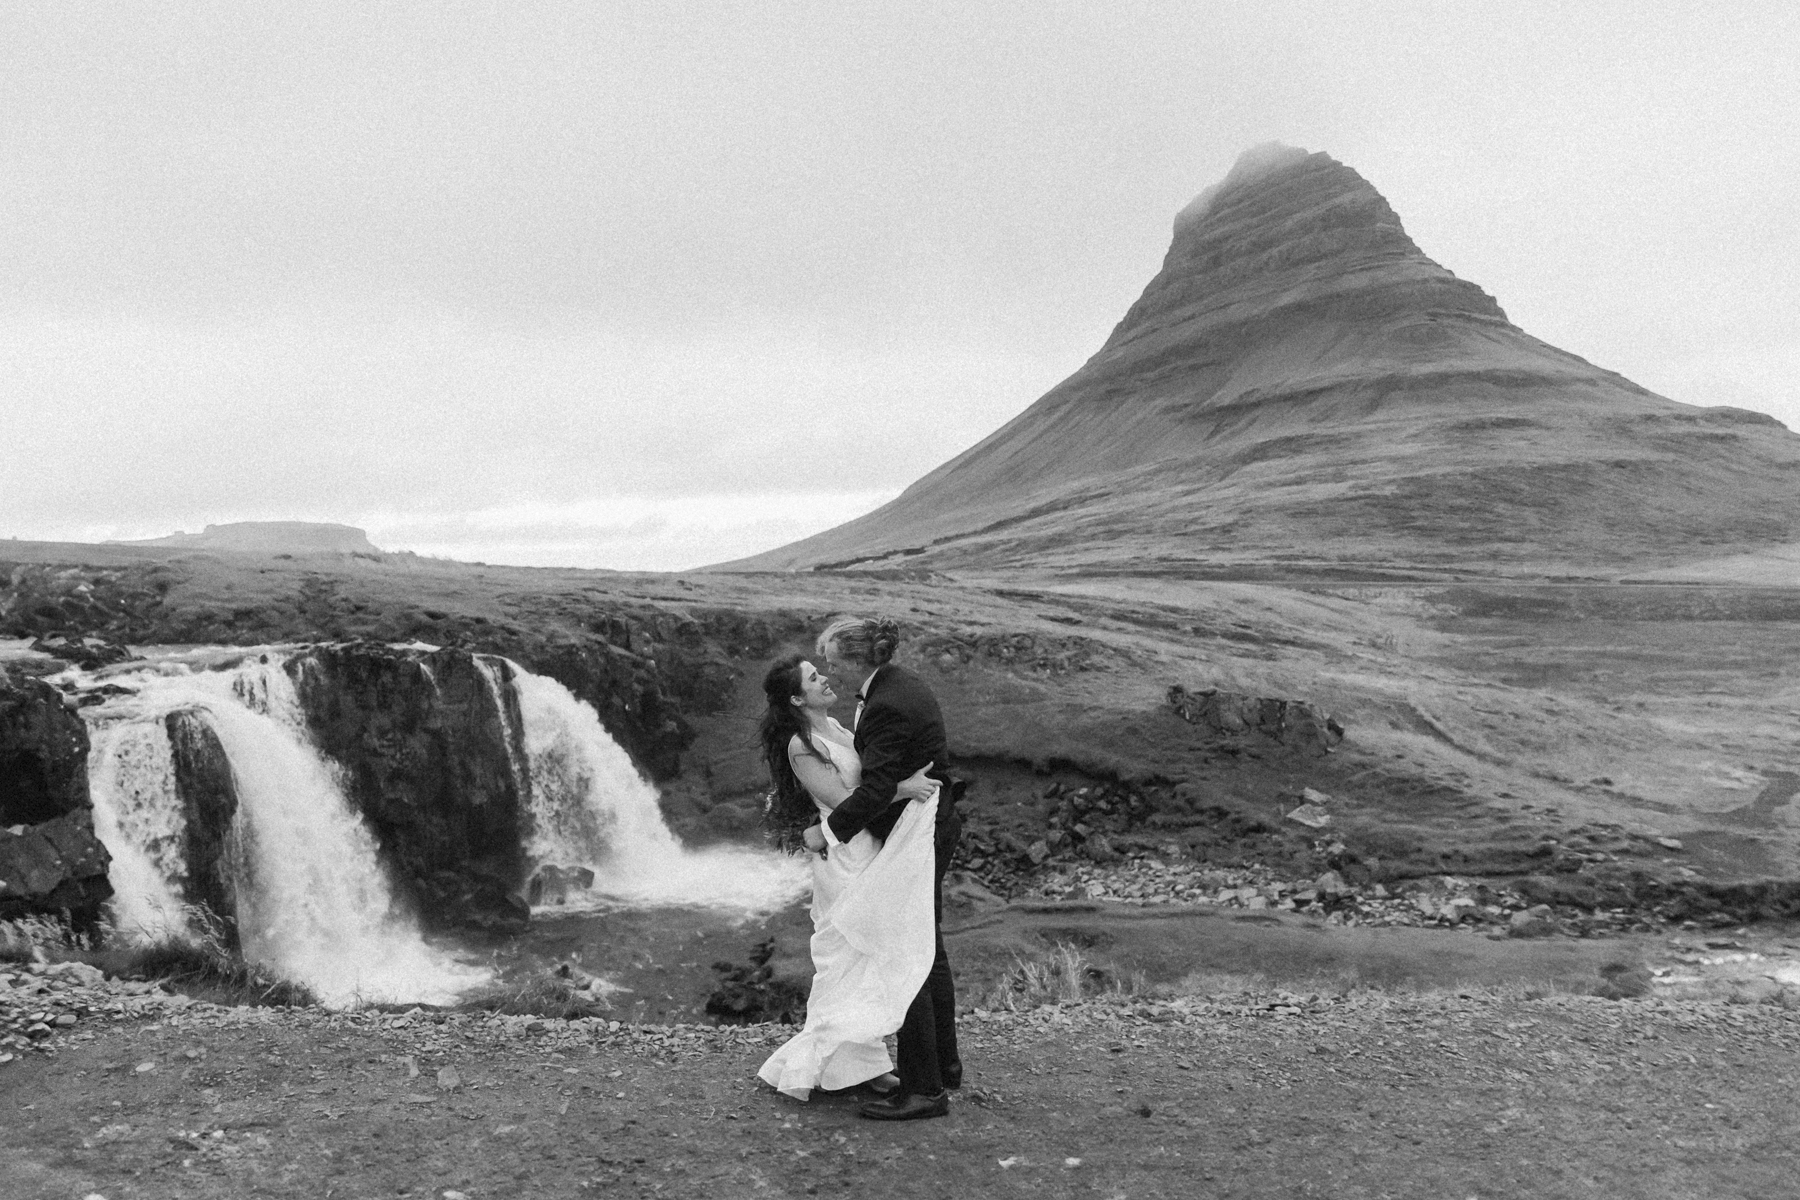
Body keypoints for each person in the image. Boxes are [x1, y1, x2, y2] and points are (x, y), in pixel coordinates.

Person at [754, 654, 940, 1101]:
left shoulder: (837, 728)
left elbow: (868, 782)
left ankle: (859, 1066)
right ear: (798, 698)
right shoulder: (802, 746)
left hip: (868, 847)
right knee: (848, 955)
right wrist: (904, 788)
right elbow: (841, 802)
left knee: (869, 956)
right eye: (813, 678)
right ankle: (829, 1061)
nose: (825, 679)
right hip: (842, 857)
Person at [809, 615, 963, 1121]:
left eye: (833, 664)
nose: (830, 675)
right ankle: (945, 1068)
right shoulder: (899, 685)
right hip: (927, 825)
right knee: (929, 947)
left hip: (915, 834)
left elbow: (874, 789)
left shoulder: (887, 704)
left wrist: (826, 833)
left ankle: (924, 1090)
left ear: (856, 659)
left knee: (905, 951)